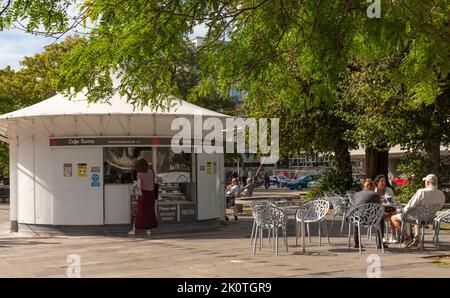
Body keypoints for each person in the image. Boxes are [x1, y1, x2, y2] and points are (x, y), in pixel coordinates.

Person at [391, 174, 445, 248]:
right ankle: (417, 238)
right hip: (430, 219)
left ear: (428, 182)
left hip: (418, 218)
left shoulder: (422, 192)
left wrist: (403, 210)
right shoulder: (441, 194)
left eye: (425, 181)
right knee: (418, 213)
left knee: (393, 218)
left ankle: (407, 238)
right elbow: (439, 208)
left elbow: (410, 205)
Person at [128, 158, 158, 235]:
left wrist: (134, 186)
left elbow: (139, 186)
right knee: (149, 212)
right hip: (151, 193)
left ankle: (134, 230)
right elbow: (154, 182)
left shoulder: (139, 173)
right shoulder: (151, 172)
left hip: (144, 194)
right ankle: (148, 230)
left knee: (140, 212)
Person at [351, 179, 384, 248]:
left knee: (356, 216)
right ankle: (380, 243)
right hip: (370, 220)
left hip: (357, 219)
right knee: (381, 217)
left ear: (364, 187)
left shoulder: (357, 194)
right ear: (373, 187)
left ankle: (357, 243)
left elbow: (355, 206)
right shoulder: (376, 194)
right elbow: (378, 208)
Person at [374, 174, 397, 243]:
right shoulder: (374, 191)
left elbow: (393, 202)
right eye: (381, 181)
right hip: (376, 211)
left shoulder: (389, 190)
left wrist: (391, 208)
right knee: (382, 216)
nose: (384, 183)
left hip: (388, 210)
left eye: (384, 181)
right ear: (377, 182)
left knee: (393, 215)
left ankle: (393, 236)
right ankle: (382, 237)